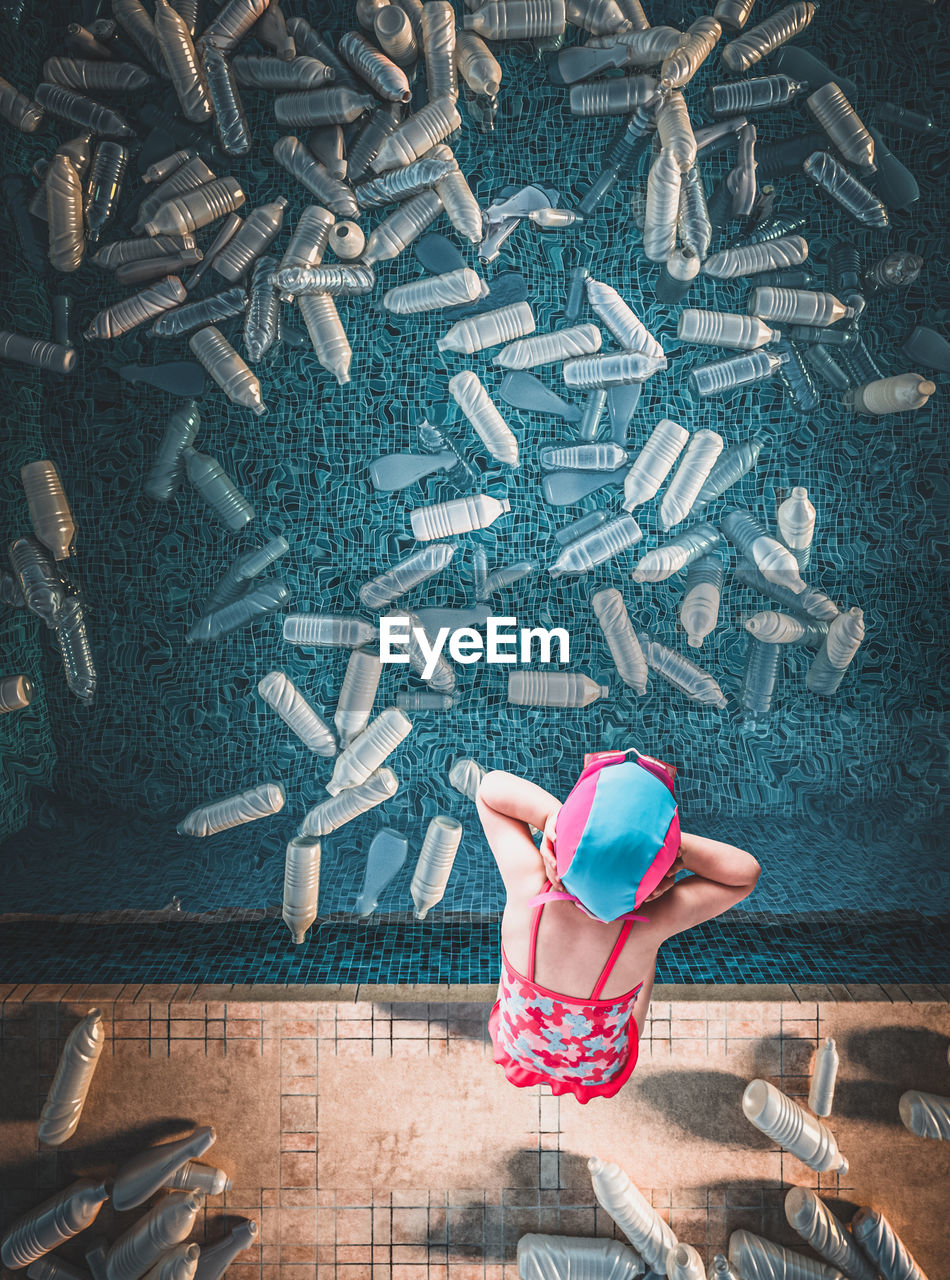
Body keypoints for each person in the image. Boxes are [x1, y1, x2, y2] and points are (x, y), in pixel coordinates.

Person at [476, 755, 761, 1103]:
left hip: (520, 1045)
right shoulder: (649, 925)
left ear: (558, 845)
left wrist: (552, 815)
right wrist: (674, 851)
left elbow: (489, 789)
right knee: (647, 953)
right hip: (598, 1068)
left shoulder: (527, 883)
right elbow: (745, 875)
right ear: (656, 883)